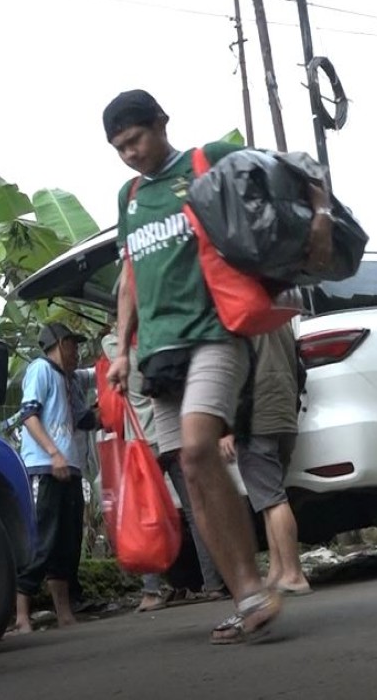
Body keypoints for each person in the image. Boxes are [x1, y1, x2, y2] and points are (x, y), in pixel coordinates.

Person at [102, 89, 332, 644]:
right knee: (194, 477)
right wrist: (124, 347)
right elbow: (131, 272)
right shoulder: (129, 195)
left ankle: (255, 586)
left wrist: (320, 219)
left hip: (215, 334)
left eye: (134, 140)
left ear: (161, 124)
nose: (129, 154)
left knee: (202, 449)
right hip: (158, 355)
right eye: (118, 148)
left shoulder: (208, 161)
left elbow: (302, 168)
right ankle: (246, 597)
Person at [101, 316, 228, 611]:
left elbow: (110, 341)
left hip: (142, 444)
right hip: (172, 434)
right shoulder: (160, 344)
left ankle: (151, 592)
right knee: (198, 512)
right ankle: (212, 584)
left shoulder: (115, 347)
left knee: (146, 513)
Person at [221, 324, 313, 596]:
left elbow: (232, 374)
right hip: (284, 413)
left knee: (272, 499)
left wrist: (227, 427)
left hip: (256, 418)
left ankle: (294, 574)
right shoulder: (279, 320)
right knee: (269, 497)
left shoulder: (238, 319)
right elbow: (300, 369)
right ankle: (277, 570)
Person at [10, 322, 87, 634]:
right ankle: (21, 616)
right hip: (45, 465)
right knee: (42, 540)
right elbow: (28, 414)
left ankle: (64, 612)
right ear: (59, 343)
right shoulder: (40, 370)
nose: (77, 352)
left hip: (69, 466)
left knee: (67, 544)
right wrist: (53, 452)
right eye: (73, 345)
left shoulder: (67, 380)